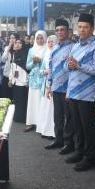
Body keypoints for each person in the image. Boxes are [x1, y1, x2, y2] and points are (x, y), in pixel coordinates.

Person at [65, 13, 95, 171]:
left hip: (88, 95)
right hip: (74, 92)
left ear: (92, 29)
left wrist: (79, 65)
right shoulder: (75, 46)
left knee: (88, 127)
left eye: (85, 27)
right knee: (77, 126)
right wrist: (70, 67)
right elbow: (69, 67)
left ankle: (90, 157)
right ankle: (79, 151)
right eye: (80, 27)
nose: (82, 30)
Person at [44, 19, 75, 155]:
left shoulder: (73, 47)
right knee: (57, 116)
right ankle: (59, 139)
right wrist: (49, 85)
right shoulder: (54, 49)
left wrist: (71, 88)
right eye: (57, 30)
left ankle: (68, 143)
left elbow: (75, 70)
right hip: (56, 87)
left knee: (68, 117)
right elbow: (50, 68)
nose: (60, 32)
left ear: (68, 31)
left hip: (68, 88)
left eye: (62, 30)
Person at [25, 30, 47, 132]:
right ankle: (31, 122)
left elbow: (48, 63)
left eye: (41, 37)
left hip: (43, 79)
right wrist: (33, 62)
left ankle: (40, 124)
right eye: (37, 38)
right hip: (34, 79)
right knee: (32, 100)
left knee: (41, 101)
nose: (39, 40)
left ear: (45, 38)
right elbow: (27, 66)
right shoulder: (31, 50)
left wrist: (41, 61)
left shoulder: (47, 49)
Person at [36, 35, 58, 138]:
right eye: (48, 42)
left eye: (52, 42)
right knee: (45, 108)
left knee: (52, 109)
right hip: (45, 85)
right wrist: (45, 71)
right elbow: (40, 71)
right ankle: (44, 130)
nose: (50, 43)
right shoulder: (45, 55)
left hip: (54, 84)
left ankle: (52, 132)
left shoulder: (58, 55)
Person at [8, 39, 29, 123]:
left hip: (23, 82)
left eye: (20, 43)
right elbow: (12, 68)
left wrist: (26, 81)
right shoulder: (14, 54)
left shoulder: (25, 54)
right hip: (15, 82)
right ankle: (17, 117)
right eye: (16, 43)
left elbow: (27, 70)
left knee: (22, 101)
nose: (17, 44)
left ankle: (23, 118)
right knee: (16, 100)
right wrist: (10, 80)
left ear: (23, 45)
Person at [1, 33, 19, 100]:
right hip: (6, 75)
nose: (12, 40)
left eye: (13, 38)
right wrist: (8, 47)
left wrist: (14, 78)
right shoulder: (6, 48)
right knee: (5, 95)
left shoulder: (19, 48)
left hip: (16, 76)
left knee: (14, 96)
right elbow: (3, 59)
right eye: (10, 38)